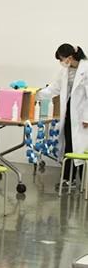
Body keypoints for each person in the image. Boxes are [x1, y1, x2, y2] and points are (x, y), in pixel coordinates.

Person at [38, 44, 88, 186]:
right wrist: (37, 94)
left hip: (82, 115)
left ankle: (82, 181)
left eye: (61, 59)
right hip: (69, 113)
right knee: (69, 145)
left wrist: (87, 117)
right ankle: (68, 178)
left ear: (70, 57)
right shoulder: (64, 71)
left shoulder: (86, 68)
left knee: (81, 148)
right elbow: (54, 88)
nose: (61, 62)